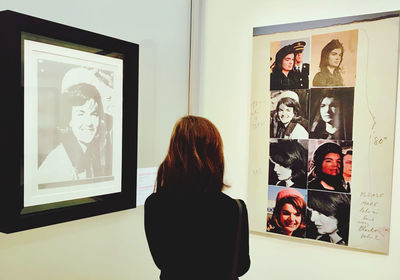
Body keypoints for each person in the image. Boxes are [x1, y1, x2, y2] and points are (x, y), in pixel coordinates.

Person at [144, 116, 250, 280]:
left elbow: (161, 261)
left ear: (174, 151)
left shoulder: (155, 204)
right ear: (215, 155)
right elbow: (242, 266)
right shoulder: (234, 208)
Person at [38, 82, 106, 183]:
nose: (89, 123)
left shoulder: (87, 153)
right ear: (69, 119)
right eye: (80, 114)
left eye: (94, 114)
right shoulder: (59, 164)